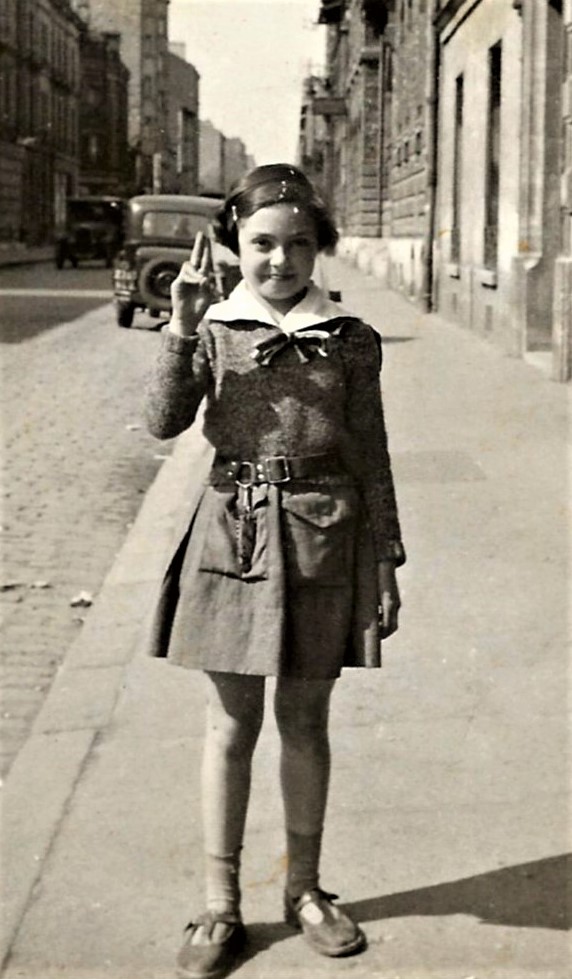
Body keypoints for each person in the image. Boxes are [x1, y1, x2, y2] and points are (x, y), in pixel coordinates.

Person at [145, 163, 405, 979]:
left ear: (319, 249)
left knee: (305, 719)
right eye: (262, 244)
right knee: (231, 723)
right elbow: (160, 422)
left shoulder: (351, 338)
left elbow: (370, 448)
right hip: (232, 534)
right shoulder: (216, 328)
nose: (279, 262)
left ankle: (305, 889)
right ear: (235, 245)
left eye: (298, 245)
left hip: (325, 536)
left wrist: (386, 557)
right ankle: (221, 902)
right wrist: (182, 330)